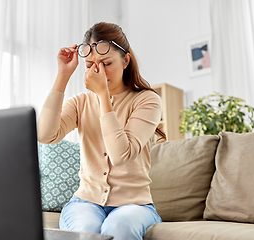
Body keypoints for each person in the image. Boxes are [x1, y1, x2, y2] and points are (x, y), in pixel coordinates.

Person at [37, 22, 165, 240]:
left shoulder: (148, 100)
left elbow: (120, 155)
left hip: (135, 205)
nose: (98, 70)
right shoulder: (81, 102)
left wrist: (103, 96)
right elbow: (45, 135)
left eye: (106, 63)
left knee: (119, 228)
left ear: (125, 60)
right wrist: (63, 75)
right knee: (86, 231)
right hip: (85, 203)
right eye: (90, 65)